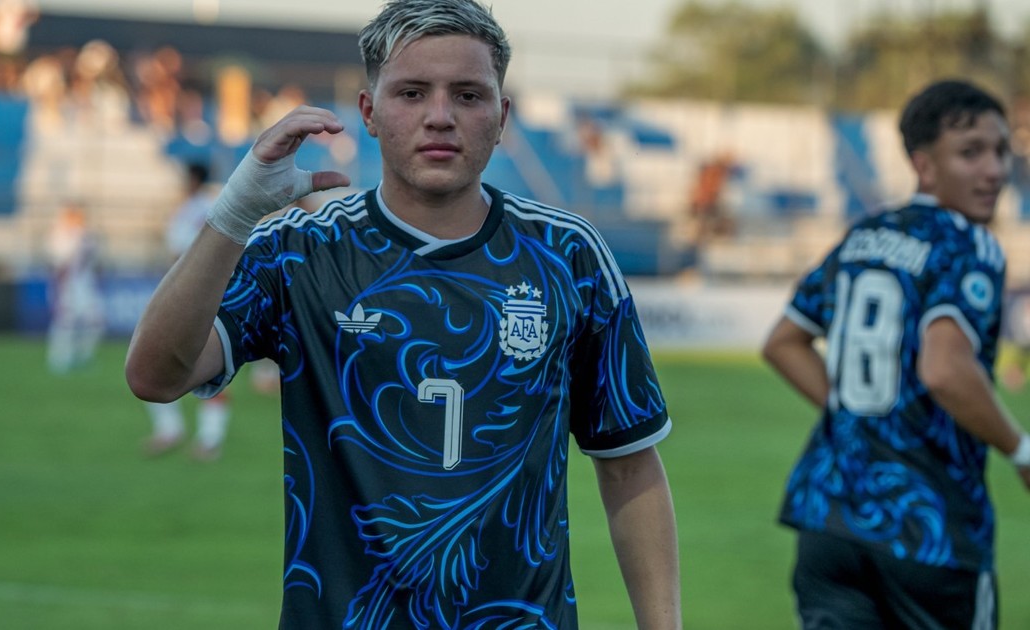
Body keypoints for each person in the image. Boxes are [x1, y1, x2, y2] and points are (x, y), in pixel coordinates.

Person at [124, 1, 680, 627]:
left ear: (501, 117)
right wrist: (234, 212)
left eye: (468, 95)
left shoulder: (568, 255)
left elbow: (630, 464)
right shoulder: (300, 252)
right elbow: (155, 375)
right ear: (368, 111)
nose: (440, 116)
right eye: (412, 93)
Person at [761, 79, 1030, 629]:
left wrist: (862, 416)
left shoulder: (865, 233)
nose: (994, 170)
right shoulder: (968, 244)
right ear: (924, 165)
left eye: (1002, 151)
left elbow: (783, 343)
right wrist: (1021, 450)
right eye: (971, 152)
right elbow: (945, 370)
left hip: (829, 517)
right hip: (928, 528)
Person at [141, 163, 232, 462]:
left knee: (208, 365)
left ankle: (209, 440)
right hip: (181, 293)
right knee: (153, 359)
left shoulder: (205, 208)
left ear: (194, 179)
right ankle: (173, 431)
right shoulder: (190, 207)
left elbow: (200, 252)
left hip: (200, 295)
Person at [46, 200, 104, 373]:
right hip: (68, 286)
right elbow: (59, 266)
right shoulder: (60, 236)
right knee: (65, 322)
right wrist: (60, 288)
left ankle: (82, 357)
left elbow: (95, 262)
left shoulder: (86, 235)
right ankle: (59, 359)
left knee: (95, 323)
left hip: (84, 285)